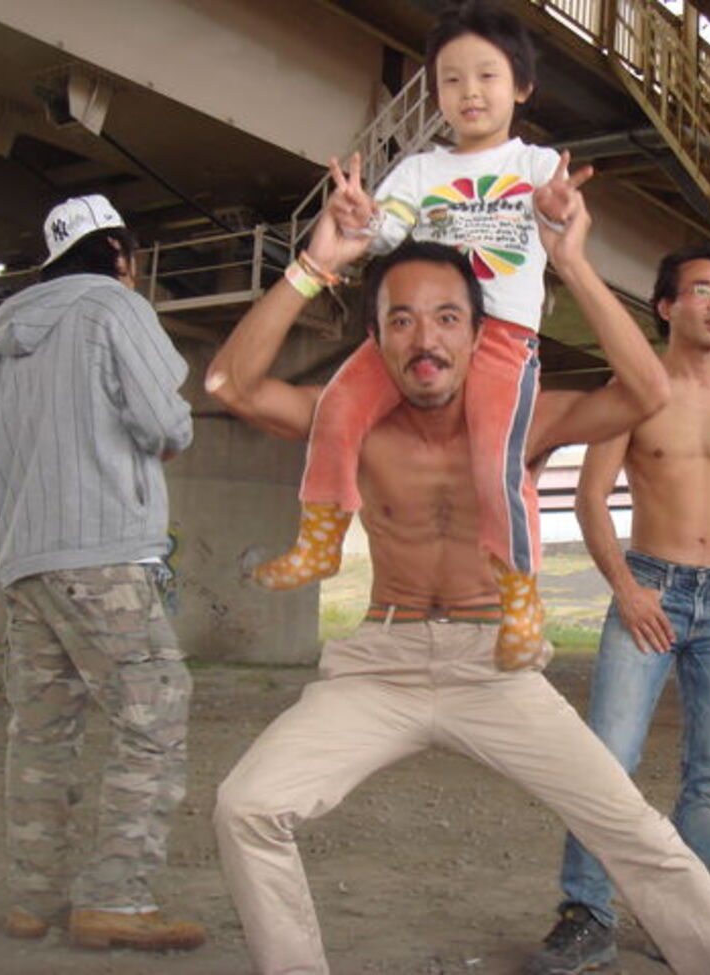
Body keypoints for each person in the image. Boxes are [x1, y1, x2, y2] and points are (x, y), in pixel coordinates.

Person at [205, 161, 710, 975]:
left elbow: (647, 392)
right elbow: (229, 382)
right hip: (382, 664)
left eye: (446, 318)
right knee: (246, 805)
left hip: (494, 665)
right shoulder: (353, 423)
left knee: (640, 835)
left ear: (478, 334)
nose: (425, 339)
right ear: (376, 340)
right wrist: (317, 262)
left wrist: (570, 260)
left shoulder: (523, 422)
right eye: (400, 320)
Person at [251, 1, 565, 663]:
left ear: (522, 86)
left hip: (501, 339)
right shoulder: (421, 170)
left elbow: (562, 220)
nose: (470, 91)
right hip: (421, 333)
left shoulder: (537, 166)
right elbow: (384, 229)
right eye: (451, 80)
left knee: (495, 464)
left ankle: (519, 595)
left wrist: (560, 211)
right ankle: (321, 538)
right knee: (338, 404)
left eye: (487, 75)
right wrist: (359, 214)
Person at [527, 242, 710, 974]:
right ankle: (587, 915)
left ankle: (683, 919)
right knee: (605, 761)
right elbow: (590, 496)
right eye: (703, 290)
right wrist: (626, 587)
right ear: (667, 306)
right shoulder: (635, 385)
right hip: (649, 586)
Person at [0, 195, 204, 951]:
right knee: (155, 716)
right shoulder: (113, 306)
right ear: (120, 255)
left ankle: (33, 900)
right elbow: (164, 421)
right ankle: (115, 897)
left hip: (27, 562)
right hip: (102, 552)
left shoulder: (8, 338)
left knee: (42, 731)